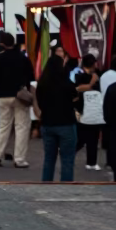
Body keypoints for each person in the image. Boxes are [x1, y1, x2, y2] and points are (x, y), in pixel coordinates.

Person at [0, 32, 35, 169]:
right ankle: (19, 159)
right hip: (19, 95)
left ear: (2, 44)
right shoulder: (23, 58)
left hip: (3, 96)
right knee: (21, 127)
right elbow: (31, 77)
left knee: (4, 126)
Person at [34, 54, 79, 182]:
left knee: (49, 158)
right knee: (67, 159)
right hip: (66, 124)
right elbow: (75, 99)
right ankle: (65, 187)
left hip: (47, 124)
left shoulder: (42, 84)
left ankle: (46, 184)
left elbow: (40, 103)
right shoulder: (67, 84)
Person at [74, 54, 104, 171]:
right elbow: (78, 88)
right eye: (95, 63)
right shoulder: (79, 76)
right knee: (82, 137)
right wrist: (91, 83)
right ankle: (69, 153)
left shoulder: (97, 75)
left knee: (94, 138)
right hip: (84, 110)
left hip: (95, 110)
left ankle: (92, 162)